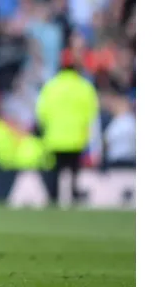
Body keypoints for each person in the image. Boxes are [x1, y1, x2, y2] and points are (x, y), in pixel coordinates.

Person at [36, 53, 99, 205]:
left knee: (55, 173)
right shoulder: (85, 87)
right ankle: (74, 200)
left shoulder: (51, 86)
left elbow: (41, 112)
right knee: (74, 173)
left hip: (55, 138)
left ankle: (54, 202)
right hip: (77, 139)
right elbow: (92, 114)